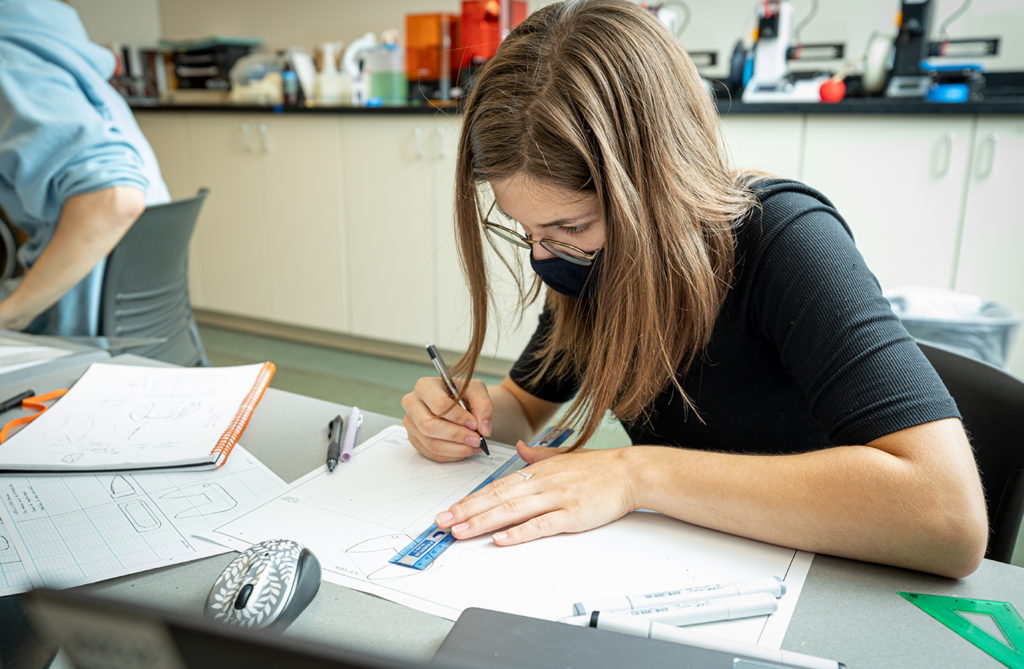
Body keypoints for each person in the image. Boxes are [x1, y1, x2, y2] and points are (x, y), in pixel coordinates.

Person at [401, 0, 987, 578]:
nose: (542, 257)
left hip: (823, 573)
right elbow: (524, 406)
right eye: (526, 230)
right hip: (694, 556)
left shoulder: (784, 239)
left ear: (654, 184)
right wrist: (463, 419)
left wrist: (637, 475)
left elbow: (949, 517)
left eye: (571, 227)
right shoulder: (587, 261)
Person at [0, 0, 169, 335]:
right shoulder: (50, 48)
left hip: (82, 312)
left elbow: (115, 198)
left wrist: (10, 316)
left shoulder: (9, 61)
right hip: (133, 314)